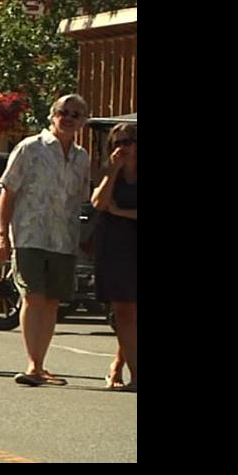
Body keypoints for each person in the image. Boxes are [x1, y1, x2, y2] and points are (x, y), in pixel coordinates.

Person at [0, 94, 91, 387]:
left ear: (82, 121)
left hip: (63, 239)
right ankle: (33, 364)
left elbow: (80, 199)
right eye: (65, 112)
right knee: (33, 296)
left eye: (76, 114)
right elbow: (8, 191)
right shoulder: (30, 148)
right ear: (53, 115)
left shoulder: (81, 157)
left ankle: (41, 363)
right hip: (29, 235)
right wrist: (2, 234)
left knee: (51, 302)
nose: (70, 117)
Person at [91, 122, 137, 392]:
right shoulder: (110, 171)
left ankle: (117, 365)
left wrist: (120, 212)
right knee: (124, 310)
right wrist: (113, 171)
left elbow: (113, 209)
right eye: (117, 143)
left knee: (133, 312)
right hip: (115, 246)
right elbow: (98, 202)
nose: (123, 148)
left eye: (129, 141)